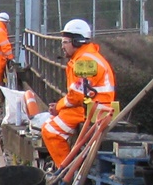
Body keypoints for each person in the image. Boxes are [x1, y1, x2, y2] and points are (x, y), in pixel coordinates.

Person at [41, 19, 116, 166]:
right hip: (91, 107)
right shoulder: (84, 58)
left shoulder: (86, 62)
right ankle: (66, 168)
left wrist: (58, 107)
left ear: (76, 41)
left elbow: (77, 95)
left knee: (51, 131)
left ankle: (65, 171)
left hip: (95, 110)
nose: (62, 46)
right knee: (50, 125)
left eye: (65, 42)